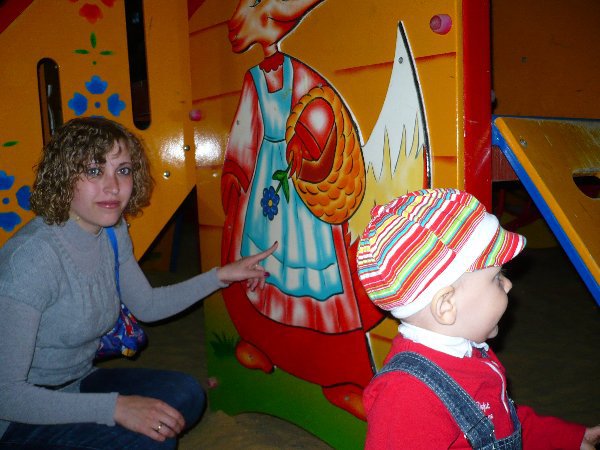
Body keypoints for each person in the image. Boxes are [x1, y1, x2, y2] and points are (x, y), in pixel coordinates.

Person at [0, 117, 277, 449]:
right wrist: (115, 408)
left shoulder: (112, 231)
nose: (113, 187)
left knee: (186, 394)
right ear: (63, 176)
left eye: (123, 170)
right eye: (94, 171)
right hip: (20, 415)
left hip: (80, 382)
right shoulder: (31, 259)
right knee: (152, 439)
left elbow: (148, 305)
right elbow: (6, 395)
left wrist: (221, 276)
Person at [356, 188, 600, 449]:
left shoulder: (467, 350)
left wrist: (569, 438)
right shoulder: (407, 399)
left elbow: (499, 423)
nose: (508, 284)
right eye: (496, 278)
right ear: (447, 305)